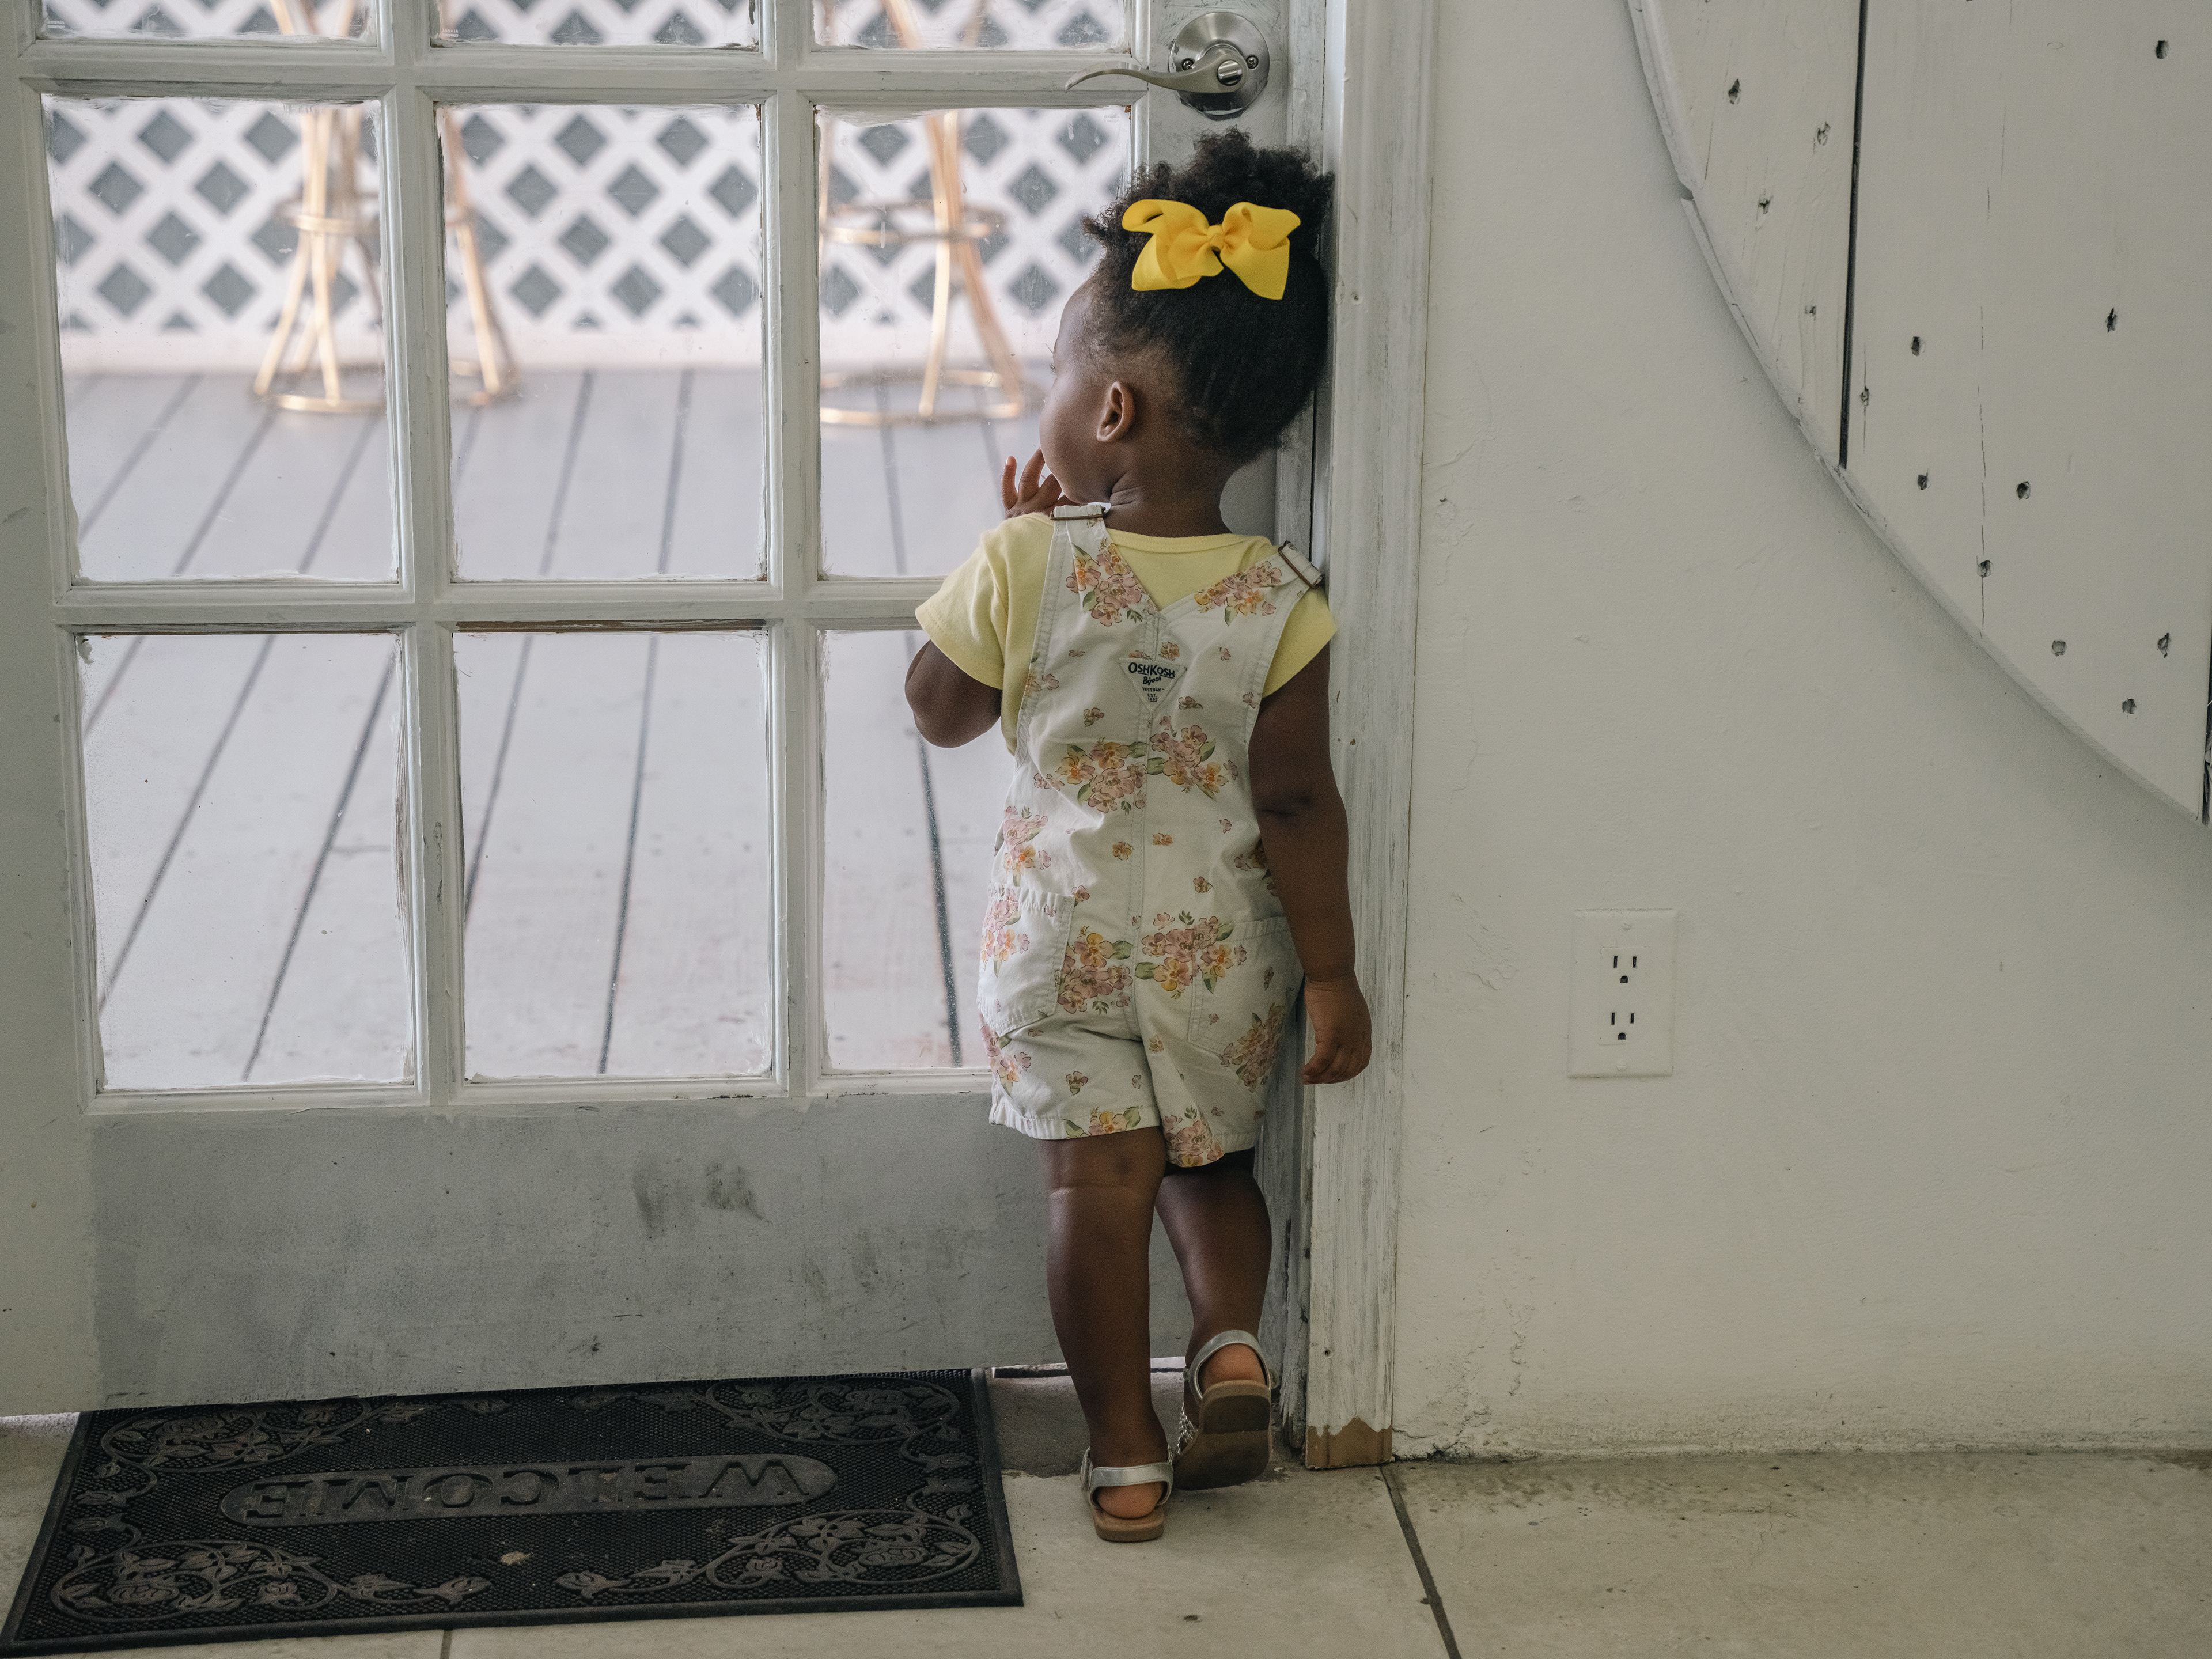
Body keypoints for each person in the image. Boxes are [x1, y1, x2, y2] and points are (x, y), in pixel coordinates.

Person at [905, 130, 1371, 1543]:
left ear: (1108, 411)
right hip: (1217, 950)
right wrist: (1333, 975)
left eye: (1054, 376)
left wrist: (1004, 561)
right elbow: (1298, 801)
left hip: (1063, 946)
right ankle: (1228, 1345)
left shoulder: (1029, 561)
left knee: (1094, 1192)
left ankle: (1122, 1456)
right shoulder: (1283, 598)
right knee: (1210, 1166)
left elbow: (938, 712)